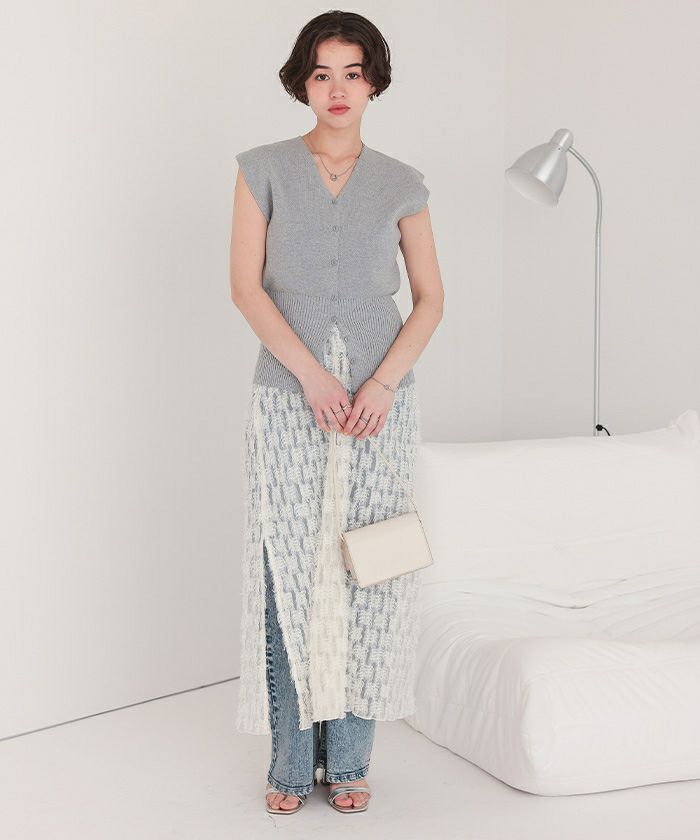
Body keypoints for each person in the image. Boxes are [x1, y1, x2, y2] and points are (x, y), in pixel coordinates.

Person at [229, 10, 443, 816]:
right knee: (291, 572)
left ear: (374, 80)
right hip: (289, 397)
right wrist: (313, 378)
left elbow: (430, 299)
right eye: (322, 73)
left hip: (382, 403)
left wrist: (381, 384)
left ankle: (349, 759)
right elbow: (246, 288)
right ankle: (291, 764)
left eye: (353, 72)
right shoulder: (262, 169)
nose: (338, 88)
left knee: (369, 571)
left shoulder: (403, 182)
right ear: (303, 83)